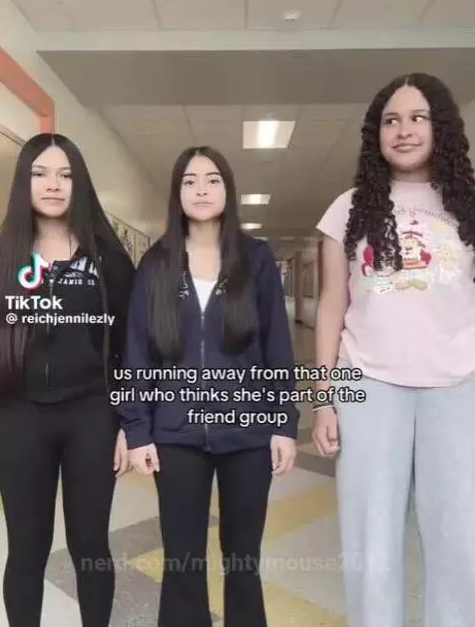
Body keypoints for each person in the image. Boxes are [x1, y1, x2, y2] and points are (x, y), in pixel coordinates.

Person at [312, 73, 475, 627]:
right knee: (370, 540)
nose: (403, 130)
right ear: (375, 133)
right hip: (369, 385)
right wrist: (325, 398)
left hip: (458, 387)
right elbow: (332, 306)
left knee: (460, 541)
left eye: (417, 118)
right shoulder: (349, 208)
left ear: (440, 127)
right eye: (391, 120)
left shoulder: (467, 206)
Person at [116, 146, 299, 627]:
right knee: (182, 561)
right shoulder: (156, 263)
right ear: (176, 193)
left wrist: (284, 423)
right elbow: (137, 352)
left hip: (248, 433)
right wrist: (138, 430)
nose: (201, 190)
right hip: (175, 435)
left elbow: (278, 348)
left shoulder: (255, 259)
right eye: (190, 181)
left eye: (212, 179)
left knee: (243, 560)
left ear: (228, 190)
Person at [0, 133, 135, 627]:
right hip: (17, 416)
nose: (53, 185)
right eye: (40, 174)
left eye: (65, 175)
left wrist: (128, 423)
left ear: (80, 184)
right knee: (26, 547)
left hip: (91, 415)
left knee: (90, 545)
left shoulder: (107, 259)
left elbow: (131, 346)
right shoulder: (3, 256)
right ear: (24, 182)